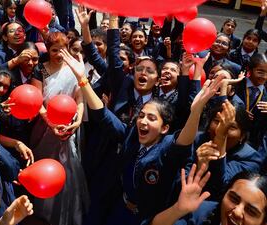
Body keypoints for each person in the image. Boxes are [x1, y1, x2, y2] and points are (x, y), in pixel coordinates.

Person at [59, 45, 223, 225]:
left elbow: (185, 140)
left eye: (152, 118)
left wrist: (196, 111)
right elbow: (102, 114)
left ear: (164, 128)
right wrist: (82, 79)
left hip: (147, 218)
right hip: (118, 209)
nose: (143, 121)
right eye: (142, 116)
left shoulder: (168, 148)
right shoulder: (131, 135)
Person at [30, 32, 89, 225]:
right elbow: (37, 101)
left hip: (69, 127)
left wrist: (78, 120)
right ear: (48, 49)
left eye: (63, 50)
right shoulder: (41, 70)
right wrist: (51, 123)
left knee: (69, 171)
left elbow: (80, 99)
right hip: (45, 129)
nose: (59, 54)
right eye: (55, 50)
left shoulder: (74, 69)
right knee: (46, 171)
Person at [148, 165, 267, 225]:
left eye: (251, 211)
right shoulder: (202, 212)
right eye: (234, 198)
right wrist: (178, 210)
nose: (237, 212)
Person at [235, 53, 267, 149]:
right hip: (229, 137)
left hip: (252, 145)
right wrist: (237, 111)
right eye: (260, 72)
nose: (264, 77)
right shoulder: (236, 85)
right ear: (249, 69)